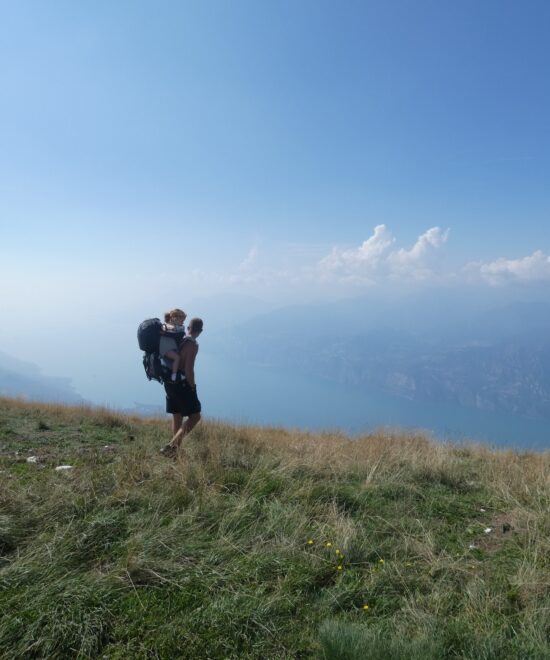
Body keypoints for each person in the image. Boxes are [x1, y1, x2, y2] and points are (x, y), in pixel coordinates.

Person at [160, 317, 204, 458]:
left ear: (188, 328)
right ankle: (171, 446)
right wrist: (192, 386)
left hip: (169, 381)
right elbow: (189, 369)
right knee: (195, 416)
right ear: (200, 331)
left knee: (177, 414)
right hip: (182, 384)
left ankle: (175, 451)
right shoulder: (193, 345)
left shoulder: (180, 339)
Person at [159, 308, 187, 382]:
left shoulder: (172, 326)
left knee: (181, 356)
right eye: (182, 320)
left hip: (169, 347)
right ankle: (174, 376)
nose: (183, 322)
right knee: (177, 358)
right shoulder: (168, 326)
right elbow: (170, 329)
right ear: (175, 318)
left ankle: (177, 372)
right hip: (165, 349)